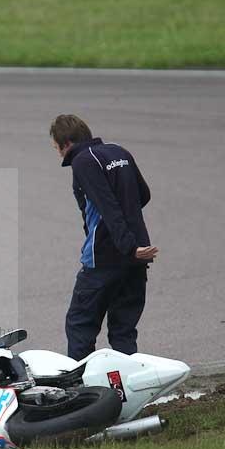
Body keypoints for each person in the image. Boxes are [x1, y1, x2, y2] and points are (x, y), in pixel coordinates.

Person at [49, 114, 158, 361]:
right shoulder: (119, 152)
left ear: (66, 143)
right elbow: (143, 195)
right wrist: (133, 247)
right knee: (123, 330)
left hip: (105, 258)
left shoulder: (83, 161)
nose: (57, 153)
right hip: (136, 258)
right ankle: (124, 390)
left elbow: (108, 207)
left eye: (56, 147)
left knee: (80, 324)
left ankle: (83, 390)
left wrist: (127, 246)